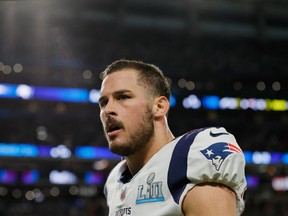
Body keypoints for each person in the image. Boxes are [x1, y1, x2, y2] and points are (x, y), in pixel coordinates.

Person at [98, 59, 247, 216]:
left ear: (160, 106)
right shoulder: (114, 182)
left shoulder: (189, 158)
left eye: (123, 97)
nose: (108, 110)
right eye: (103, 102)